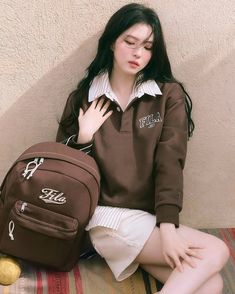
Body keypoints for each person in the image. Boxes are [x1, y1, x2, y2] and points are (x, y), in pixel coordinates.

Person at [56, 3, 229, 293]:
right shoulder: (84, 99)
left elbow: (170, 161)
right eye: (130, 42)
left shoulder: (166, 96)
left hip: (146, 223)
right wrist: (84, 137)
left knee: (212, 284)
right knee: (217, 251)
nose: (138, 53)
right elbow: (66, 176)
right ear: (112, 42)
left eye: (148, 46)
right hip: (102, 220)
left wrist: (168, 226)